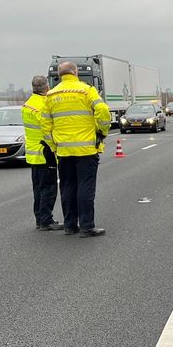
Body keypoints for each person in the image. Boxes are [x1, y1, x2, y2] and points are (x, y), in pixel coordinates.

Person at [41, 61, 111, 236]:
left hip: (63, 151)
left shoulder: (51, 95)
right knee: (85, 187)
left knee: (67, 188)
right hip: (86, 149)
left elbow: (45, 124)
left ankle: (70, 225)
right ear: (75, 73)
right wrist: (102, 131)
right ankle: (87, 226)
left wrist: (53, 146)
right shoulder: (86, 90)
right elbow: (102, 109)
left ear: (60, 75)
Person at [22, 76, 61, 231]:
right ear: (47, 87)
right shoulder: (44, 105)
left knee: (38, 189)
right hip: (45, 153)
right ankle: (46, 220)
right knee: (49, 189)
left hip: (33, 154)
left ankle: (39, 218)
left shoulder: (28, 104)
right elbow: (47, 129)